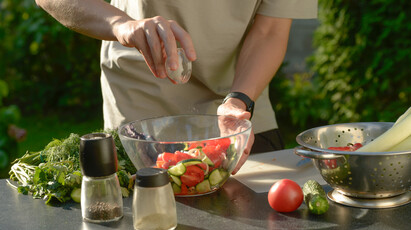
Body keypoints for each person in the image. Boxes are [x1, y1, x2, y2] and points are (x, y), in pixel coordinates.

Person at [35, 0, 317, 174]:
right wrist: (121, 25)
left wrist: (239, 100)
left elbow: (270, 31)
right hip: (142, 123)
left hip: (239, 117)